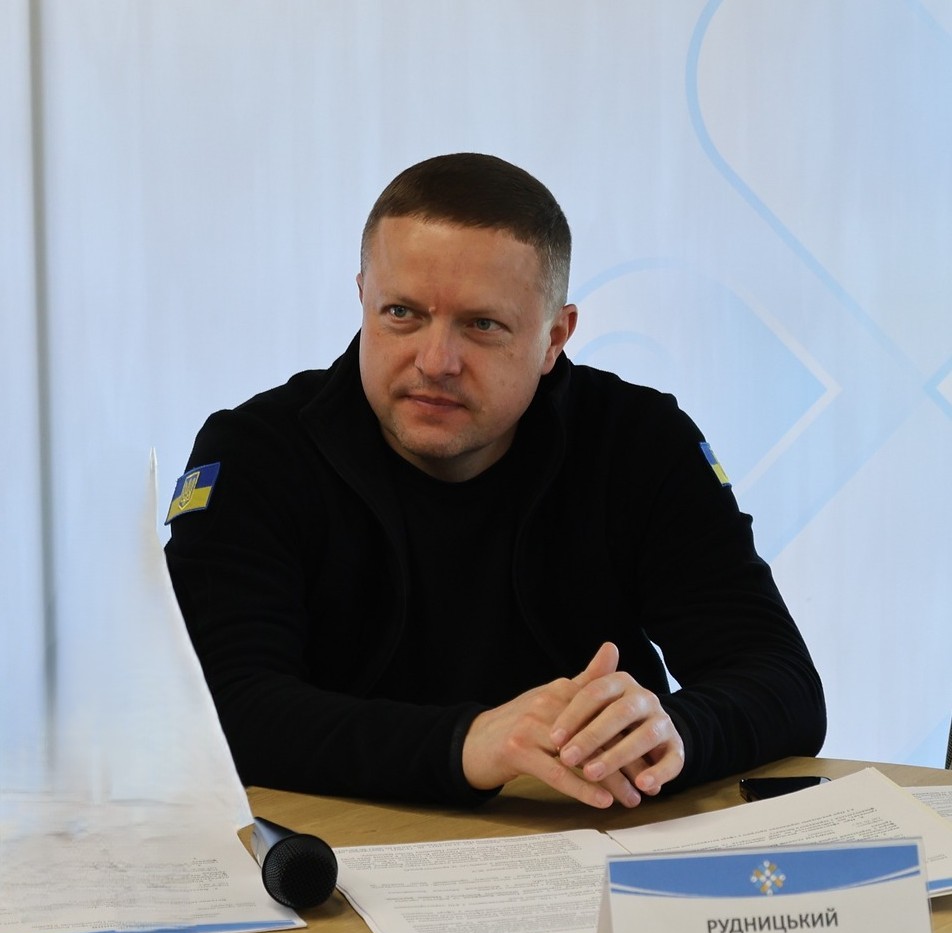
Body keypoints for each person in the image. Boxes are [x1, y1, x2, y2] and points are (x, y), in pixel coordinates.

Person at [164, 152, 825, 810]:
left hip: (590, 835)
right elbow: (223, 709)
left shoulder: (641, 442)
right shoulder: (256, 452)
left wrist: (671, 732)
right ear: (362, 297)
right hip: (339, 848)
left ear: (554, 338)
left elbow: (782, 683)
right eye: (401, 313)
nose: (436, 361)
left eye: (482, 325)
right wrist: (467, 744)